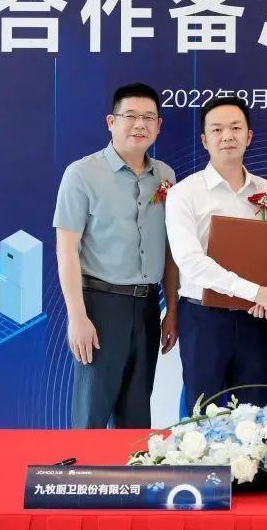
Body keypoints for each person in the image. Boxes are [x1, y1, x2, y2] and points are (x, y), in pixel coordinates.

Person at [53, 83, 180, 429]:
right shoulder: (82, 174)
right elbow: (66, 249)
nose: (140, 124)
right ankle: (84, 468)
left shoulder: (165, 176)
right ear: (111, 122)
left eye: (148, 118)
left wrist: (171, 310)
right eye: (130, 116)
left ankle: (131, 468)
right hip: (100, 305)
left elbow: (170, 249)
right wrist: (77, 316)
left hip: (148, 307)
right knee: (91, 416)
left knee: (136, 417)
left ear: (159, 126)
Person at [165, 96, 267, 411]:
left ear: (249, 136)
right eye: (217, 129)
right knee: (203, 413)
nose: (227, 136)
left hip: (254, 318)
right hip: (203, 318)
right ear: (204, 139)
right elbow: (191, 263)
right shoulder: (184, 193)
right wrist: (257, 292)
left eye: (236, 128)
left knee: (252, 414)